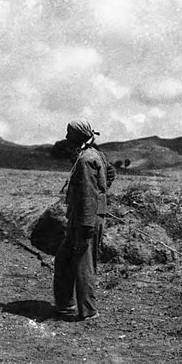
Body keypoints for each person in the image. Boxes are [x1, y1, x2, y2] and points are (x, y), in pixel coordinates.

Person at [53, 120, 116, 321]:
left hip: (86, 218)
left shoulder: (86, 159)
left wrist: (90, 218)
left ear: (77, 137)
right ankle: (65, 304)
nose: (66, 138)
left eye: (69, 134)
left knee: (83, 263)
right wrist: (102, 192)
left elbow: (89, 193)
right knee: (64, 259)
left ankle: (88, 311)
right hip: (82, 216)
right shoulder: (93, 154)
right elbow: (111, 173)